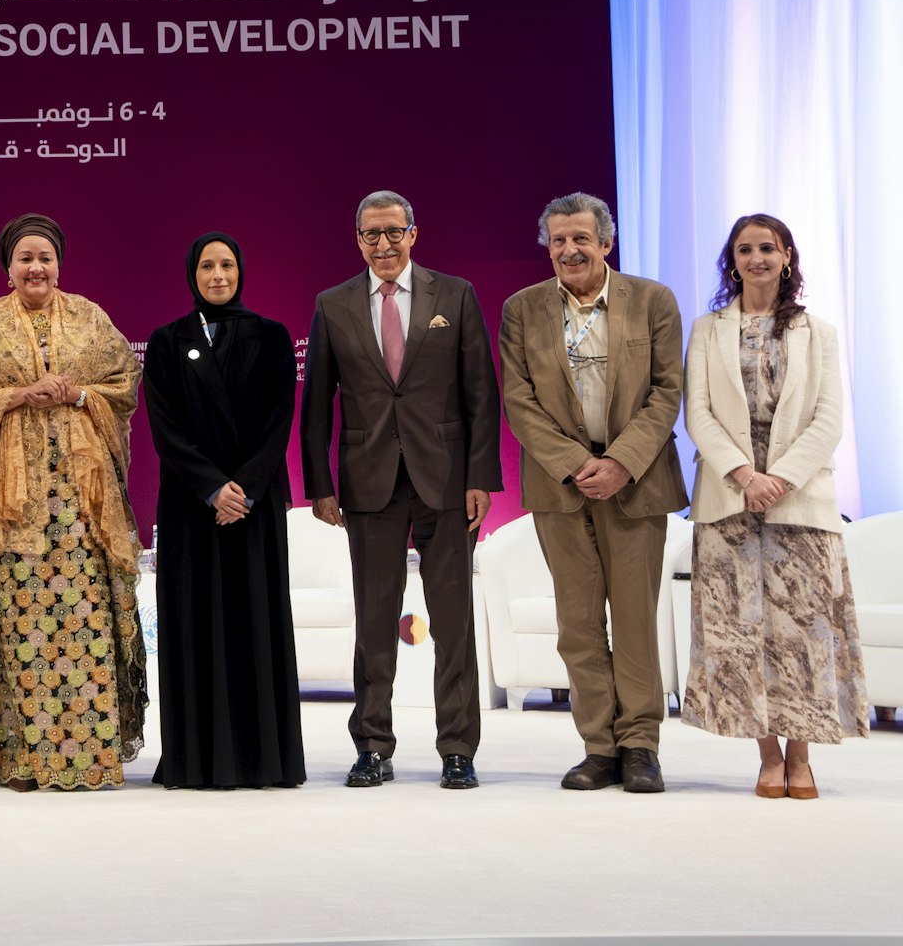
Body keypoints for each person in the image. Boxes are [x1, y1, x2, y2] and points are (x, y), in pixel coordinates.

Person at [301, 191, 502, 790]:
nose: (383, 245)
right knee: (373, 620)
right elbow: (316, 406)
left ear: (414, 233)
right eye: (371, 235)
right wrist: (320, 485)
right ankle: (372, 746)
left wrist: (480, 479)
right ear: (356, 240)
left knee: (453, 621)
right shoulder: (332, 304)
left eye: (393, 232)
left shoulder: (455, 295)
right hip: (368, 484)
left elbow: (481, 395)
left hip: (446, 481)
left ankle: (458, 748)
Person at [0, 212, 147, 791]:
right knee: (21, 623)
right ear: (8, 268)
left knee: (86, 623)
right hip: (15, 505)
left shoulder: (90, 317)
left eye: (46, 258)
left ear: (59, 264)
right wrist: (17, 395)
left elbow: (124, 382)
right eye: (25, 258)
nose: (37, 267)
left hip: (83, 502)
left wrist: (79, 393)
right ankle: (26, 760)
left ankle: (92, 756)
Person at [498, 192, 687, 793]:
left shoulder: (653, 300)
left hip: (637, 483)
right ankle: (598, 747)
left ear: (606, 243)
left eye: (581, 239)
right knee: (577, 623)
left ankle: (640, 745)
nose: (569, 250)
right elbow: (519, 400)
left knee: (634, 620)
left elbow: (666, 393)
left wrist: (621, 463)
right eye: (558, 241)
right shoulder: (521, 309)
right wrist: (579, 463)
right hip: (562, 486)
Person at [681, 214, 867, 797]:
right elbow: (700, 413)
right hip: (727, 500)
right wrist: (742, 474)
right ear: (731, 260)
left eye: (767, 248)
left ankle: (802, 754)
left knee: (803, 632)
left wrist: (777, 479)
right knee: (740, 631)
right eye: (745, 249)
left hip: (801, 499)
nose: (756, 258)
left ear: (787, 256)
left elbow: (828, 419)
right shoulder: (707, 329)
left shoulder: (820, 331)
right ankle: (765, 754)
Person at [144, 231, 305, 789]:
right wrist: (213, 488)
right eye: (208, 266)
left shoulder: (273, 335)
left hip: (254, 508)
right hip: (193, 509)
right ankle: (197, 757)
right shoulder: (167, 342)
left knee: (255, 623)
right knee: (194, 624)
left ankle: (265, 758)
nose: (218, 275)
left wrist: (245, 489)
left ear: (241, 271)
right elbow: (165, 429)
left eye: (228, 265)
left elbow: (278, 419)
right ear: (192, 274)